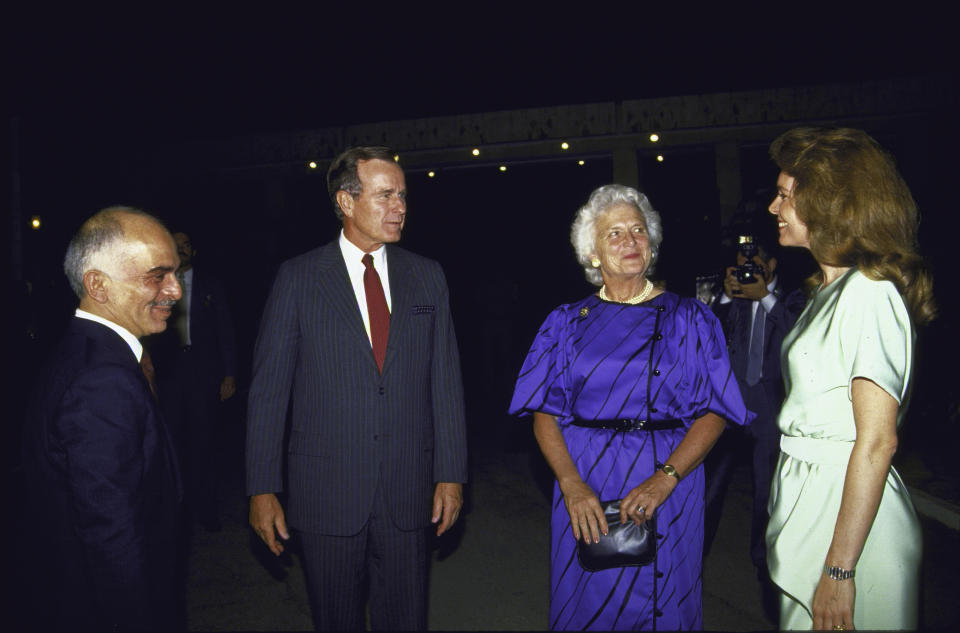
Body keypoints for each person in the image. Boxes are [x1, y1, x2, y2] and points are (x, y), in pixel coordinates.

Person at [509, 184, 753, 630]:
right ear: (592, 254)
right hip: (585, 480)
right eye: (614, 234)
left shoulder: (690, 319)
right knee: (586, 601)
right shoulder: (564, 323)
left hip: (670, 480)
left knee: (666, 603)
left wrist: (666, 479)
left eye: (638, 230)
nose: (630, 241)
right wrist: (570, 484)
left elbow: (716, 411)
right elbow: (544, 411)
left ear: (652, 242)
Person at [246, 146, 468, 630]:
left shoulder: (427, 276)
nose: (401, 207)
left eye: (403, 196)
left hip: (408, 491)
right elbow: (269, 393)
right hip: (327, 493)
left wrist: (451, 473)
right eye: (386, 195)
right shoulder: (299, 278)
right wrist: (262, 487)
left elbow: (445, 382)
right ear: (346, 202)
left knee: (405, 619)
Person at [764, 127, 935, 631]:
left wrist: (840, 568)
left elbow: (878, 440)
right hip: (812, 496)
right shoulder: (825, 290)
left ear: (828, 203)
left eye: (785, 196)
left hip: (848, 515)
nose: (775, 208)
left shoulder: (869, 292)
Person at [21, 206, 185, 631]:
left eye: (176, 274)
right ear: (97, 284)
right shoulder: (102, 379)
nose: (175, 291)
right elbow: (109, 532)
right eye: (158, 275)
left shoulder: (83, 351)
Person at [704, 231, 805, 611]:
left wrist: (766, 298)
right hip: (729, 411)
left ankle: (765, 567)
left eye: (756, 261)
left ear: (772, 264)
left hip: (769, 411)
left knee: (766, 494)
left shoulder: (793, 298)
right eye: (743, 261)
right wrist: (728, 296)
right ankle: (694, 551)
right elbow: (705, 331)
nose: (749, 268)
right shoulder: (733, 297)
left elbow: (798, 333)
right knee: (709, 486)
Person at [147, 230, 237, 532]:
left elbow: (225, 331)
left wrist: (229, 374)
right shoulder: (157, 286)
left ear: (194, 252)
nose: (182, 250)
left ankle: (207, 508)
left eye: (186, 245)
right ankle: (175, 512)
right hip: (170, 373)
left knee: (205, 441)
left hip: (203, 374)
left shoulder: (210, 285)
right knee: (171, 443)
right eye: (177, 246)